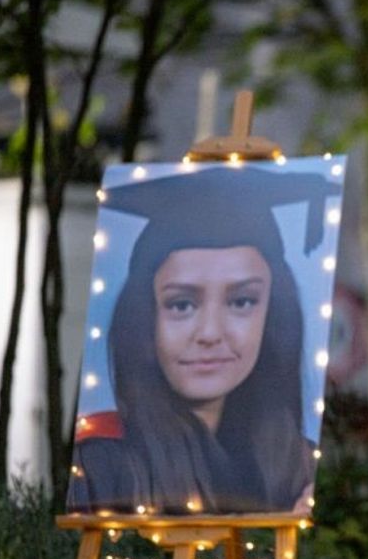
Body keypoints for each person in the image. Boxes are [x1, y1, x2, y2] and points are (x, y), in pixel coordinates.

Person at [67, 166, 338, 515]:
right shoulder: (102, 459)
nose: (210, 333)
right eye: (182, 305)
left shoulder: (296, 464)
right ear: (144, 317)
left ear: (272, 315)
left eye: (242, 302)